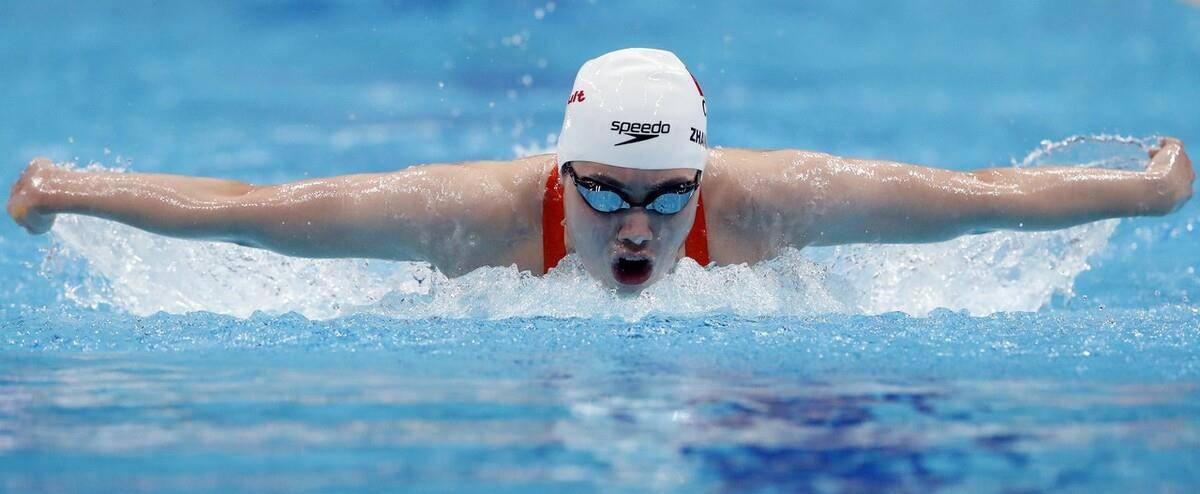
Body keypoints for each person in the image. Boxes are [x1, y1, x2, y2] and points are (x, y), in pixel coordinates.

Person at [6, 48, 1194, 292]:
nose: (638, 226)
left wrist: (1144, 194)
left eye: (668, 192)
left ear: (705, 173)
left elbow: (976, 196)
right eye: (606, 192)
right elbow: (260, 215)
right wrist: (69, 186)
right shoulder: (471, 216)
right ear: (561, 176)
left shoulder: (769, 201)